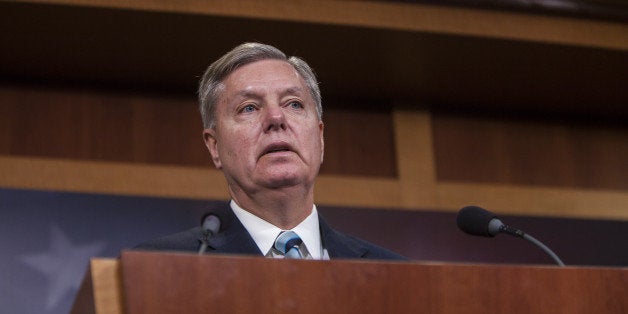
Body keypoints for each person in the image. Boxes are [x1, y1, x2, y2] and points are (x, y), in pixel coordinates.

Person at [136, 42, 405, 260]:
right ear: (214, 146)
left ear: (320, 138)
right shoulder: (163, 266)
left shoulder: (397, 275)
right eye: (249, 108)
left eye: (294, 104)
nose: (276, 118)